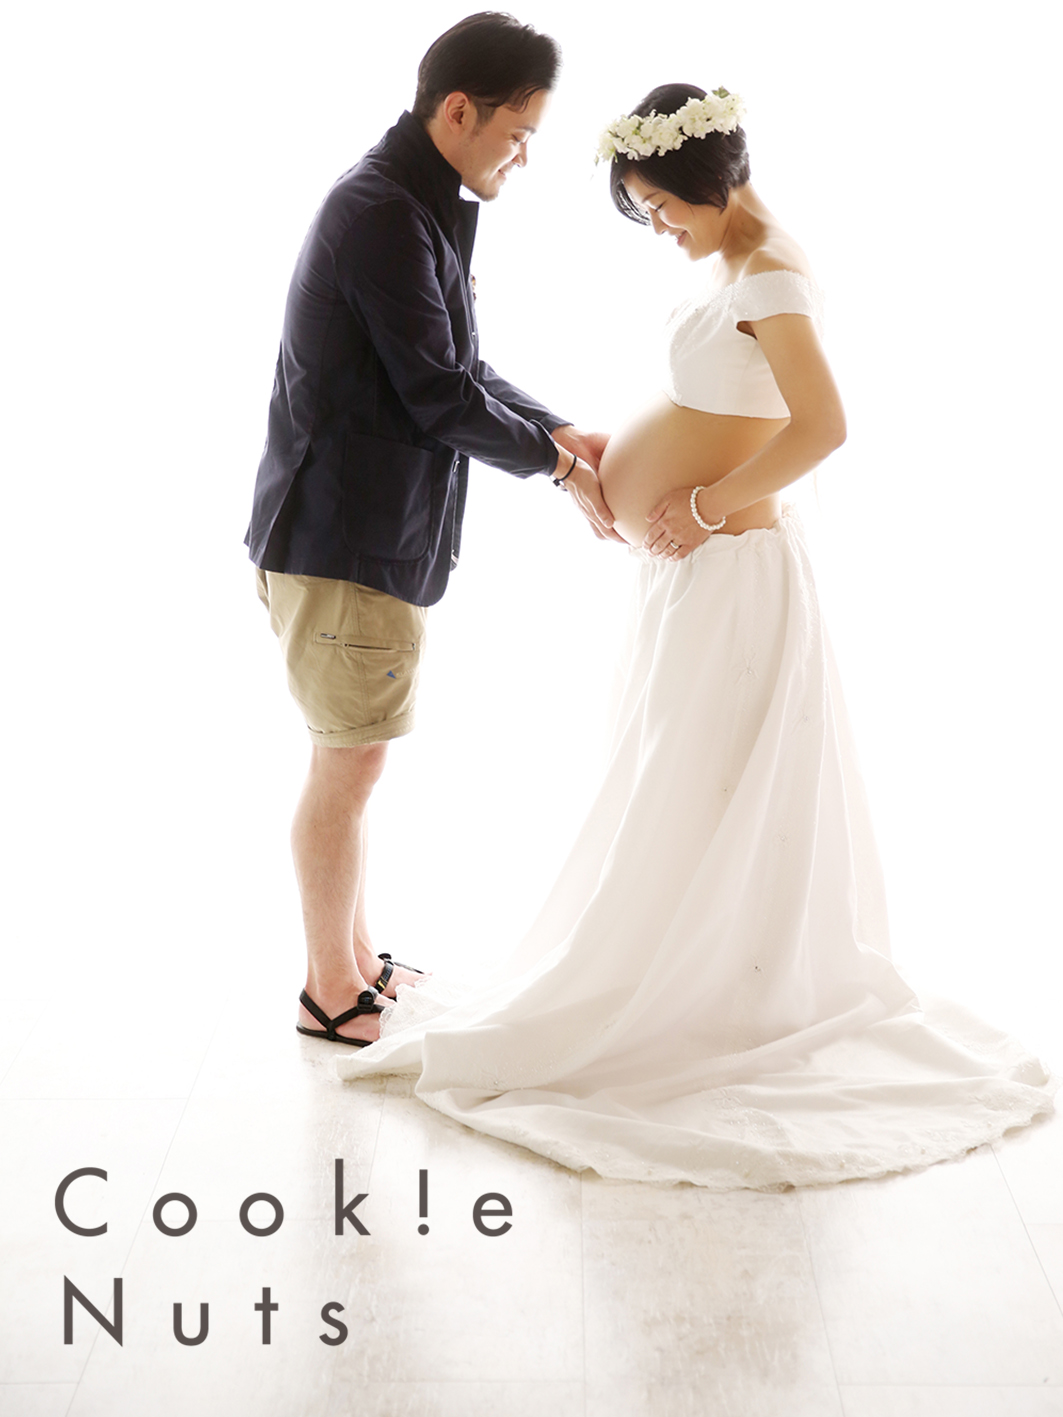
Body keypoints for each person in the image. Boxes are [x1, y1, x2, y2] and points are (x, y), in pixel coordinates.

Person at [332, 84, 1057, 1189]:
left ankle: (697, 993)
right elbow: (722, 406)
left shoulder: (769, 273)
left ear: (710, 182)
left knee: (704, 776)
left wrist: (708, 507)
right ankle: (672, 967)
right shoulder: (734, 267)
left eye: (663, 208)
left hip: (730, 569)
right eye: (645, 213)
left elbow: (823, 426)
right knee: (676, 777)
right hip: (692, 572)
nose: (660, 229)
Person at [246, 14, 618, 1049]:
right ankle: (328, 990)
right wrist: (559, 471)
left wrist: (557, 430)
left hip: (356, 537)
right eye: (519, 131)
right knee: (348, 766)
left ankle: (357, 960)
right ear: (459, 110)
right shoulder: (381, 213)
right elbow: (437, 394)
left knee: (355, 760)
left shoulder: (413, 205)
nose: (524, 155)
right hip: (340, 540)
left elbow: (460, 368)